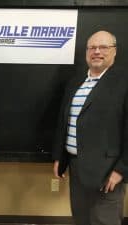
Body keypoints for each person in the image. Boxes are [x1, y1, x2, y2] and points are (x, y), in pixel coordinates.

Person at [53, 30, 128, 225]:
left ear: (114, 51)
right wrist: (59, 158)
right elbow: (64, 122)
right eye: (92, 47)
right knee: (81, 219)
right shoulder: (76, 83)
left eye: (103, 47)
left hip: (107, 173)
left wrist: (121, 170)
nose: (97, 51)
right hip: (77, 168)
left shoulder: (124, 83)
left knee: (104, 221)